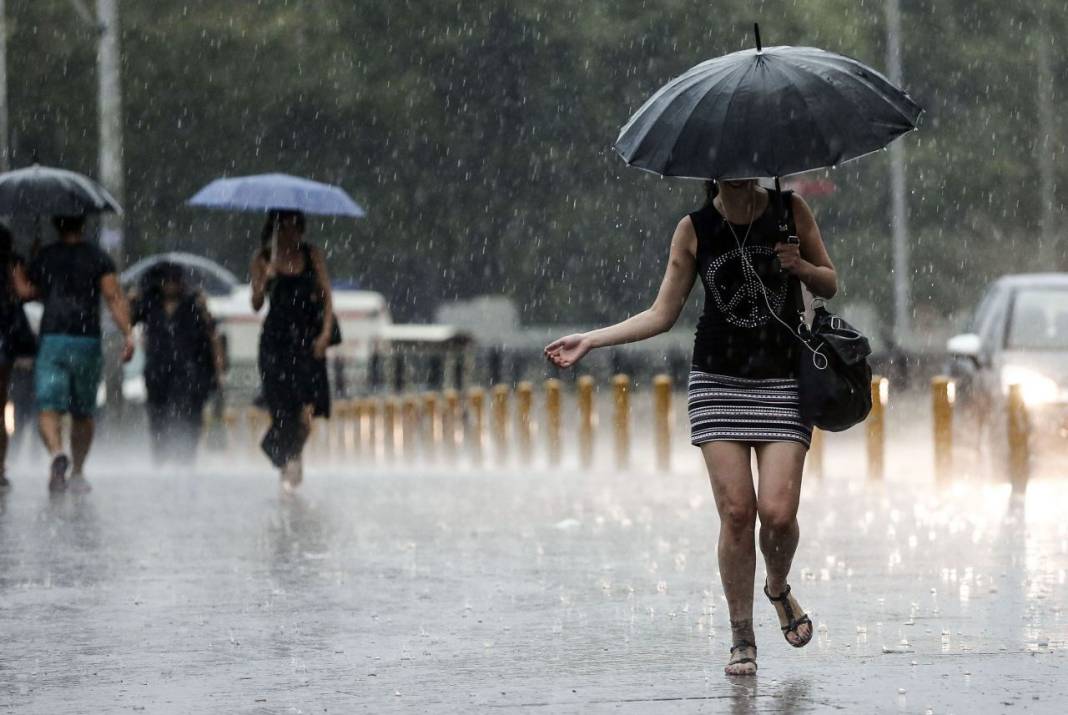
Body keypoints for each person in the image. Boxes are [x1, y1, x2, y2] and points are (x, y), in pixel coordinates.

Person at [545, 179, 837, 676]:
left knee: (780, 513)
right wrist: (591, 340)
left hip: (783, 381)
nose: (736, 172)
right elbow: (662, 313)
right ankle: (742, 636)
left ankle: (777, 585)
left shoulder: (791, 211)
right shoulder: (695, 228)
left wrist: (800, 267)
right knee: (739, 513)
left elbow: (829, 282)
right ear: (711, 170)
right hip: (717, 383)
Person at [20, 215, 134, 493]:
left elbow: (26, 292)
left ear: (56, 226)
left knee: (49, 408)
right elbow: (113, 297)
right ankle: (79, 472)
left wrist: (27, 264)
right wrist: (128, 333)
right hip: (86, 340)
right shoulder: (98, 258)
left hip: (53, 338)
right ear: (83, 226)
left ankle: (58, 452)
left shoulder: (46, 256)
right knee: (83, 412)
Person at [249, 210, 334, 490]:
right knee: (282, 409)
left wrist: (324, 335)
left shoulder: (312, 256)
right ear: (275, 229)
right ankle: (289, 465)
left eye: (295, 227)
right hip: (275, 343)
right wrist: (266, 278)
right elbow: (256, 304)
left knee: (307, 413)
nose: (290, 234)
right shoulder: (263, 259)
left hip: (307, 342)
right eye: (284, 228)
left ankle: (284, 454)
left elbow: (326, 297)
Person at [130, 262, 223, 464]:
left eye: (175, 280)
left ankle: (186, 458)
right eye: (166, 280)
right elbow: (129, 319)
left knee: (189, 417)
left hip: (190, 372)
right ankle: (160, 457)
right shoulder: (149, 304)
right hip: (157, 371)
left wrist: (217, 370)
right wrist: (133, 298)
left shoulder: (194, 304)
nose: (171, 285)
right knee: (158, 417)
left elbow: (212, 335)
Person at [0, 222, 36, 489]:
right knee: (1, 407)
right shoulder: (12, 263)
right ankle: (0, 467)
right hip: (5, 337)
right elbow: (24, 293)